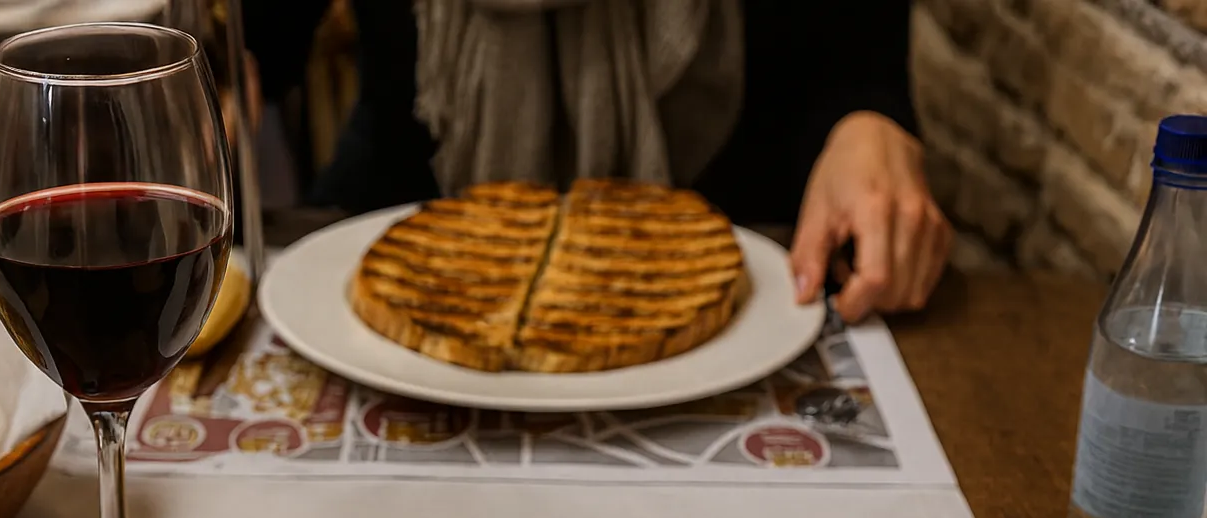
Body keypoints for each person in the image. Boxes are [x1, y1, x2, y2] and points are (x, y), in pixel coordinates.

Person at [247, 0, 950, 323]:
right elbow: (256, 37)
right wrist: (225, 71)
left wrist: (866, 123)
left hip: (737, 254)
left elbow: (856, 51)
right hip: (390, 223)